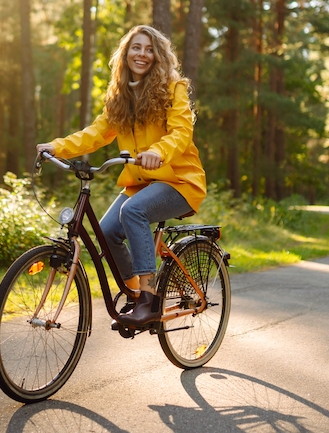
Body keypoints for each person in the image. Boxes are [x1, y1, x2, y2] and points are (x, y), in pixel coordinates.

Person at [37, 25, 206, 328]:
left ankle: (149, 300)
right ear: (126, 54)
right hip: (140, 184)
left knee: (134, 210)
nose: (142, 54)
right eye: (136, 48)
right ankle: (134, 292)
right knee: (107, 232)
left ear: (158, 55)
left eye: (149, 48)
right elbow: (96, 134)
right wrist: (57, 147)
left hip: (180, 181)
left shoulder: (173, 88)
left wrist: (159, 151)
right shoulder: (120, 97)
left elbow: (182, 132)